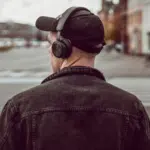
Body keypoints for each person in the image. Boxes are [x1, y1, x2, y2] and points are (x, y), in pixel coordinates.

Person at [0, 6, 150, 150]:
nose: (48, 50)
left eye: (50, 44)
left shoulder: (19, 108)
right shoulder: (131, 108)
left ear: (60, 48)